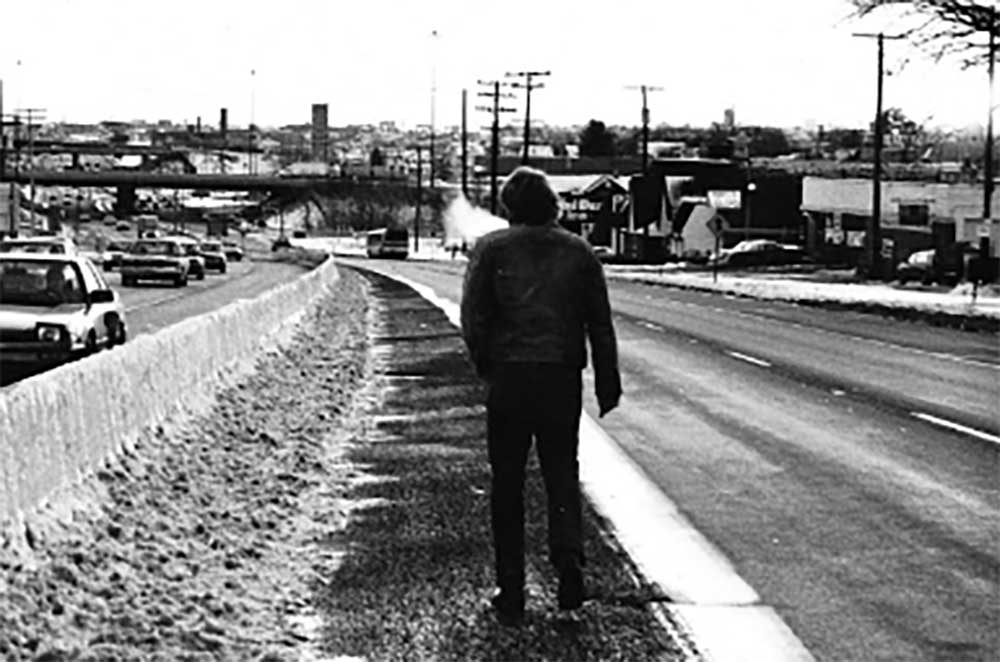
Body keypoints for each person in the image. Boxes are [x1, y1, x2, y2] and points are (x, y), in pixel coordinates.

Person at [460, 165, 622, 626]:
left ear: (510, 205)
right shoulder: (578, 252)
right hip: (559, 376)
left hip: (510, 377)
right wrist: (607, 381)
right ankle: (568, 561)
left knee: (507, 482)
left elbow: (474, 315)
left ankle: (511, 588)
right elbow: (599, 322)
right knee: (561, 473)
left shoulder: (492, 249)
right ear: (551, 204)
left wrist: (485, 363)